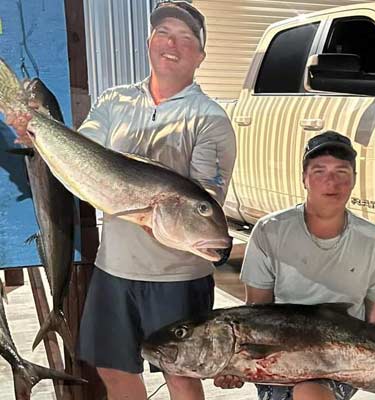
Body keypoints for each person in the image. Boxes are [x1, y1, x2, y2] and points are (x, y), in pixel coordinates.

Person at [8, 1, 236, 399]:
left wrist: (170, 214)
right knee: (113, 369)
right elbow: (82, 154)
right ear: (149, 42)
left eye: (186, 39)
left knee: (180, 375)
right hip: (115, 269)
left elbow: (206, 197)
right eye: (163, 33)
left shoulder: (210, 118)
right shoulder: (114, 102)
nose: (172, 44)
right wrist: (36, 134)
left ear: (200, 55)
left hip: (175, 277)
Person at [214, 131, 375, 400]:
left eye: (342, 172)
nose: (331, 181)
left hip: (342, 358)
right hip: (279, 358)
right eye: (319, 171)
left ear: (354, 180)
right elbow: (255, 311)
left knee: (309, 393)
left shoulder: (372, 239)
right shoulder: (270, 231)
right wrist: (231, 363)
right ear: (304, 179)